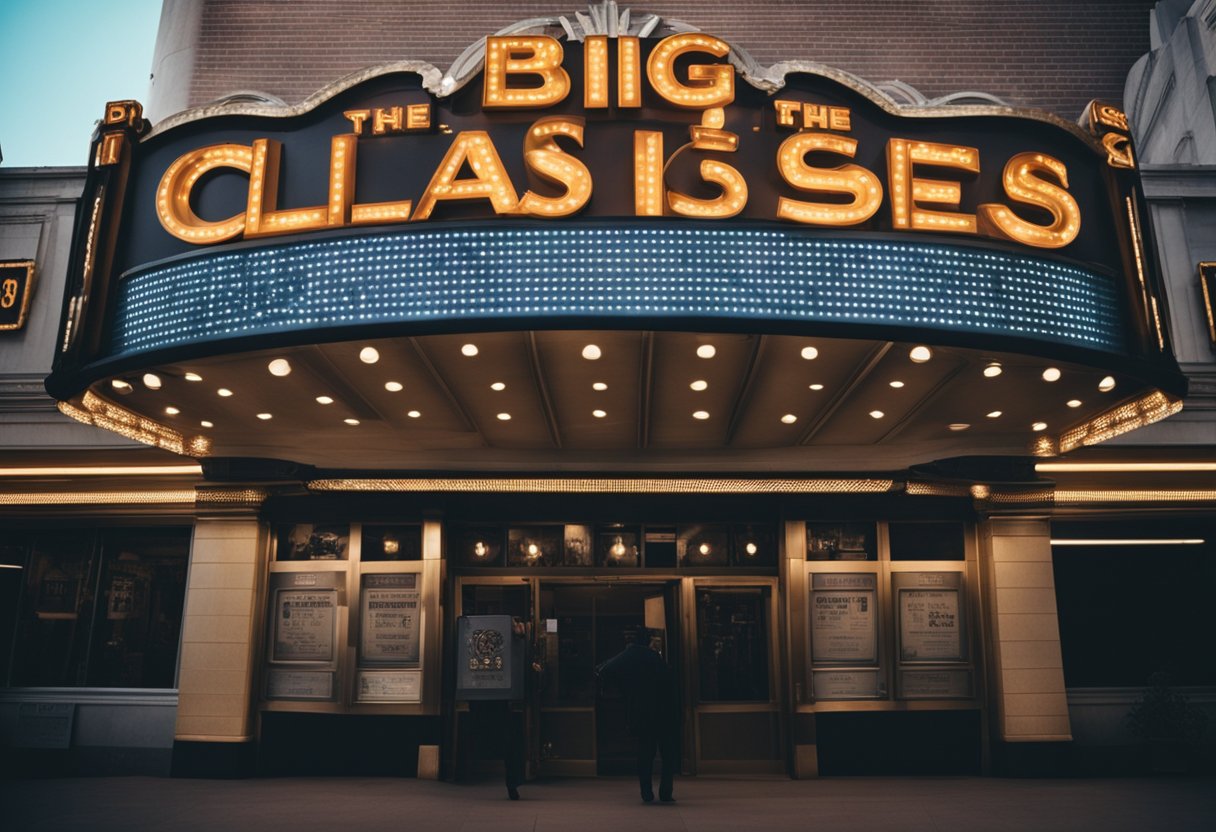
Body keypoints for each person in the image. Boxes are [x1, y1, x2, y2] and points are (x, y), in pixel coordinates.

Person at [597, 627, 679, 804]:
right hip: (664, 713)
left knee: (645, 755)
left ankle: (646, 792)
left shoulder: (630, 657)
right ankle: (666, 792)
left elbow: (605, 669)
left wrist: (624, 690)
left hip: (643, 713)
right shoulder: (655, 659)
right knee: (667, 754)